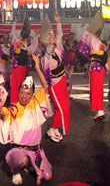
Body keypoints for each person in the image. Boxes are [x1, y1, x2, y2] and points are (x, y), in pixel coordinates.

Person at [0, 53, 53, 185]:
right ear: (18, 92)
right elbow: (4, 112)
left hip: (36, 151)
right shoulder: (14, 108)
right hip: (19, 150)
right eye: (22, 92)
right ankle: (16, 171)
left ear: (32, 95)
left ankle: (31, 163)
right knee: (21, 161)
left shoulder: (36, 103)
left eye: (28, 94)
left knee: (48, 177)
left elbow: (45, 87)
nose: (24, 96)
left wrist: (38, 67)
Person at [40, 11, 70, 142]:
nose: (54, 36)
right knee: (61, 107)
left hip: (61, 80)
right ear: (47, 39)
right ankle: (51, 129)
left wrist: (58, 22)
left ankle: (55, 128)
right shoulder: (45, 57)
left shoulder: (57, 49)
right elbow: (47, 54)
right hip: (54, 84)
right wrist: (48, 48)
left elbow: (60, 36)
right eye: (51, 35)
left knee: (65, 106)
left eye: (53, 35)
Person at [76, 11, 107, 121]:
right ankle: (100, 109)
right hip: (100, 68)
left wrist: (85, 29)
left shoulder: (94, 39)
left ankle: (99, 110)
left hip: (96, 68)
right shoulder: (100, 42)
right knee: (98, 89)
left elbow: (84, 40)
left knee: (95, 89)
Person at [10, 14, 38, 103]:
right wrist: (14, 23)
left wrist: (37, 35)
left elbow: (35, 44)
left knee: (23, 83)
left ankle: (22, 99)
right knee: (16, 84)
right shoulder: (17, 42)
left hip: (24, 67)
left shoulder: (30, 46)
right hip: (17, 66)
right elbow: (13, 33)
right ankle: (15, 100)